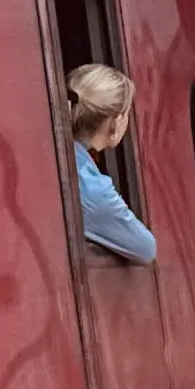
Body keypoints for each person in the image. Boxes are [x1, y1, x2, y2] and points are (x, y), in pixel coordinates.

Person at [68, 63, 156, 264]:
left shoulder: (60, 155)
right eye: (127, 113)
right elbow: (145, 248)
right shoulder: (89, 185)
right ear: (115, 123)